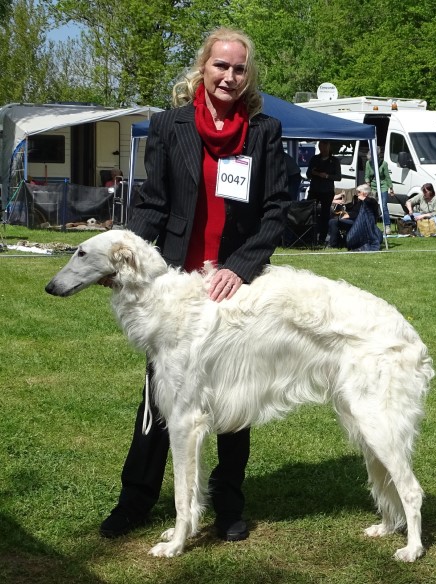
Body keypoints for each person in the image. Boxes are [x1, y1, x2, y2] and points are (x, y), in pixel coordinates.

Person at [99, 27, 289, 542]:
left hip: (234, 284)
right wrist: (124, 255)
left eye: (239, 68)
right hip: (178, 286)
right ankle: (136, 499)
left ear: (249, 75)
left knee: (235, 394)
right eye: (220, 65)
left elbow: (276, 210)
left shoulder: (264, 131)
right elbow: (155, 203)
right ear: (203, 67)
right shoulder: (170, 125)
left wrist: (240, 267)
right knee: (158, 395)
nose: (229, 76)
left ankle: (227, 504)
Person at [306, 140, 341, 244]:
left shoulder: (334, 161)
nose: (323, 149)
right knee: (309, 213)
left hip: (327, 191)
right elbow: (308, 174)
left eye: (325, 147)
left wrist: (327, 176)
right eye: (321, 147)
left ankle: (322, 238)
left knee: (325, 215)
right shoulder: (314, 159)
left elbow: (338, 177)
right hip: (314, 190)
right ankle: (309, 236)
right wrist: (315, 173)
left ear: (329, 147)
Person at [327, 183, 381, 250]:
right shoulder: (359, 202)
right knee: (333, 221)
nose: (358, 194)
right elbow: (354, 211)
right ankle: (335, 243)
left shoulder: (372, 201)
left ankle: (342, 242)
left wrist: (364, 198)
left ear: (365, 193)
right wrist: (347, 214)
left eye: (359, 192)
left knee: (335, 221)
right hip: (353, 221)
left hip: (362, 224)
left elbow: (369, 205)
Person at [364, 146, 394, 234]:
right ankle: (373, 225)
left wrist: (391, 188)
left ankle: (387, 226)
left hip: (383, 185)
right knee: (372, 206)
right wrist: (367, 182)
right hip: (373, 187)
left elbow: (387, 177)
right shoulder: (368, 163)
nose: (371, 160)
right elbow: (366, 175)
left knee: (383, 206)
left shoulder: (384, 164)